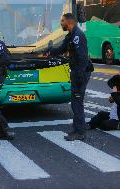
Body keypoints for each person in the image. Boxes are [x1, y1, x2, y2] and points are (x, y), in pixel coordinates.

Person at [45, 13, 94, 141]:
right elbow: (61, 49)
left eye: (62, 21)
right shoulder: (70, 36)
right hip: (76, 71)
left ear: (69, 22)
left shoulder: (78, 35)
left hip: (81, 72)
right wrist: (49, 50)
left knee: (77, 102)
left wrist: (78, 76)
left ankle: (80, 132)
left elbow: (83, 58)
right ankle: (77, 128)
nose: (60, 23)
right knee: (75, 102)